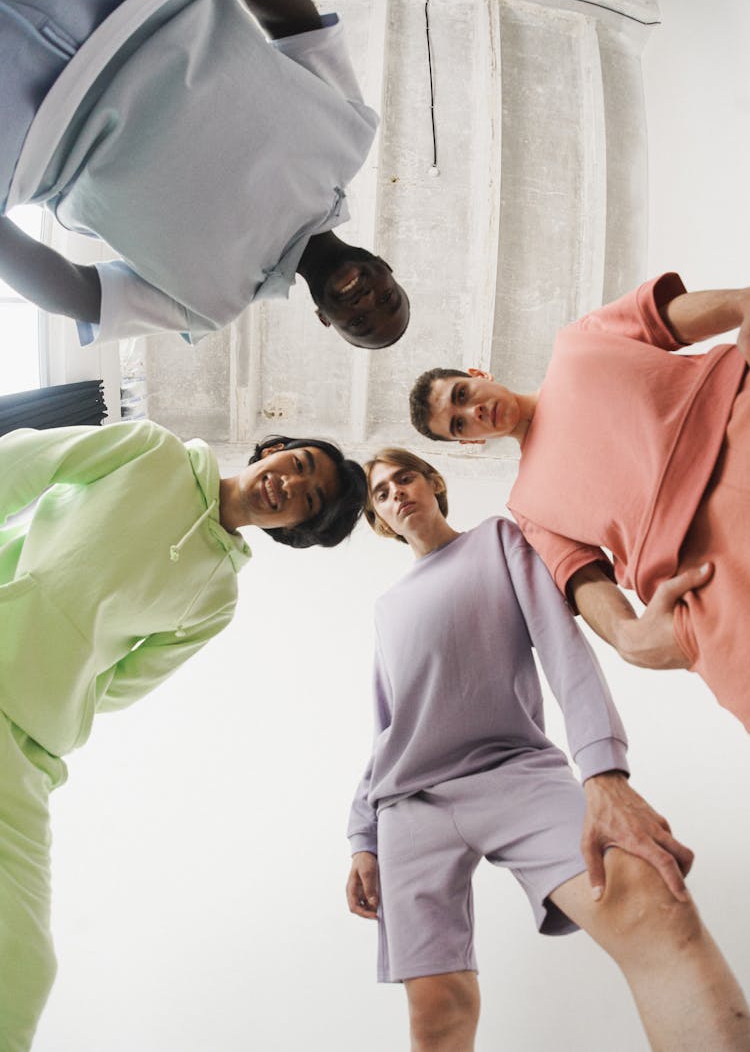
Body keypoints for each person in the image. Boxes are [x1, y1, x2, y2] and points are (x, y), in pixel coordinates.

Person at [346, 447, 750, 1052]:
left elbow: (562, 648)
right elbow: (386, 727)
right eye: (380, 493)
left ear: (433, 482)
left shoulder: (499, 542)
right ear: (380, 520)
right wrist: (362, 838)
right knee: (436, 1008)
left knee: (648, 900)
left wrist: (604, 770)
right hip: (410, 807)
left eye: (405, 477)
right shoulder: (388, 607)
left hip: (514, 773)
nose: (396, 492)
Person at [0, 418, 366, 1050]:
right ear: (273, 449)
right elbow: (25, 462)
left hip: (29, 743)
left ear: (296, 531)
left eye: (308, 500)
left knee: (25, 970)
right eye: (299, 464)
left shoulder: (216, 594)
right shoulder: (151, 450)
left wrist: (63, 680)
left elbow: (127, 681)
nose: (288, 484)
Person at [0, 0, 409, 349]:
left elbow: (85, 297)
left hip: (32, 128)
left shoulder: (209, 308)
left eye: (359, 322)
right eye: (387, 299)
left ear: (326, 320)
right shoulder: (352, 134)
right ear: (385, 266)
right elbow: (299, 26)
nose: (367, 301)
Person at [409, 273, 750, 729]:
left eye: (462, 395)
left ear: (477, 375)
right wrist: (629, 639)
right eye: (458, 425)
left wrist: (745, 303)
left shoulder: (578, 343)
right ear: (468, 443)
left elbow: (663, 319)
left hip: (736, 432)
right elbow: (582, 579)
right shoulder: (528, 506)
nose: (473, 413)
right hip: (707, 569)